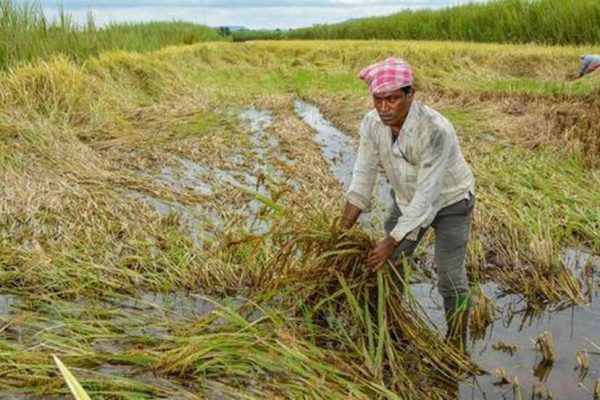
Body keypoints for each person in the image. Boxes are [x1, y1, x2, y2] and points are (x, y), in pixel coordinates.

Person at [341, 57, 476, 352]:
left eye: (392, 99)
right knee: (387, 269)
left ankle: (456, 344)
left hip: (451, 202)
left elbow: (427, 197)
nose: (384, 108)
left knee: (450, 278)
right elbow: (363, 175)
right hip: (406, 200)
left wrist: (392, 239)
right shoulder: (371, 123)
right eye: (378, 100)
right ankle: (390, 330)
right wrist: (341, 229)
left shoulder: (435, 130)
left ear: (410, 94)